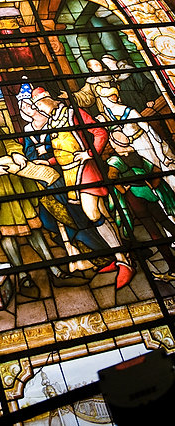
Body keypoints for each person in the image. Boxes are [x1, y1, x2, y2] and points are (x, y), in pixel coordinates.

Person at [0, 101, 87, 298]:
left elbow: (8, 142)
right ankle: (23, 277)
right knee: (6, 235)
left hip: (16, 182)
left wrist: (15, 153)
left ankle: (56, 272)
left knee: (33, 228)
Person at [31, 87, 135, 290]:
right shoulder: (52, 122)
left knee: (92, 213)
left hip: (86, 169)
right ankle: (119, 256)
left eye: (40, 103)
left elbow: (100, 131)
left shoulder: (72, 113)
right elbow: (64, 150)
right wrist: (49, 162)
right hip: (69, 174)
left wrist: (90, 153)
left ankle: (124, 261)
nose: (38, 108)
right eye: (36, 106)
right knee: (101, 213)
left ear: (50, 98)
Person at [17, 82, 110, 272]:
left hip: (77, 171)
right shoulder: (33, 129)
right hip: (56, 176)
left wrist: (88, 154)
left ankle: (113, 254)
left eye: (32, 104)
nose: (29, 109)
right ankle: (96, 256)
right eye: (24, 107)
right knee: (61, 216)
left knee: (89, 214)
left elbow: (83, 139)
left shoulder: (62, 117)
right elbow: (37, 152)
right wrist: (43, 160)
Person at [106, 130, 175, 275]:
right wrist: (153, 185)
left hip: (134, 197)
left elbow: (111, 177)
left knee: (154, 232)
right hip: (148, 193)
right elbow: (156, 170)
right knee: (165, 222)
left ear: (115, 144)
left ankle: (173, 267)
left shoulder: (115, 161)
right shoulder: (137, 157)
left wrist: (123, 190)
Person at [96, 85, 175, 193]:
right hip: (135, 145)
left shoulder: (131, 112)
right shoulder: (109, 111)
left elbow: (149, 130)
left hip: (145, 141)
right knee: (152, 169)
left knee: (161, 165)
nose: (102, 100)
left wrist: (160, 152)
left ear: (113, 97)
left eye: (104, 97)